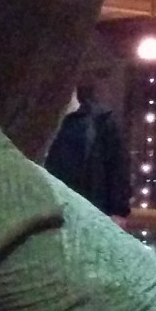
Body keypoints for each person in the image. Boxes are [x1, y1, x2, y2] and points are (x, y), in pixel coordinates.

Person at [41, 84, 132, 216]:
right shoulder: (38, 123)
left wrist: (118, 212)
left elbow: (117, 169)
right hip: (48, 214)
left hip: (87, 214)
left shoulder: (100, 122)